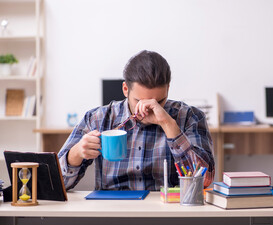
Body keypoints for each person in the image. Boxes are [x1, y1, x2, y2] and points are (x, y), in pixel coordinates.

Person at [58, 50, 215, 191]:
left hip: (167, 211)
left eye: (159, 102)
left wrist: (169, 125)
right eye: (139, 100)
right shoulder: (98, 118)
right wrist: (76, 153)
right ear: (125, 89)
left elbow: (204, 181)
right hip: (112, 213)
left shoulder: (189, 117)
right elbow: (57, 184)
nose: (147, 109)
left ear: (168, 88)